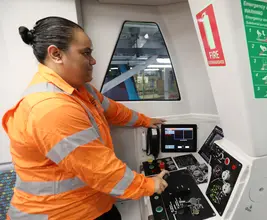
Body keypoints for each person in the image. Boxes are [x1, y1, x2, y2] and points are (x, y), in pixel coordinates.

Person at [2, 16, 169, 220]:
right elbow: (100, 170)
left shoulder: (80, 91)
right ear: (56, 54)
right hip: (60, 214)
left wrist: (144, 120)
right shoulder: (51, 109)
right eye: (86, 53)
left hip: (88, 202)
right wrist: (150, 185)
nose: (93, 60)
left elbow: (112, 110)